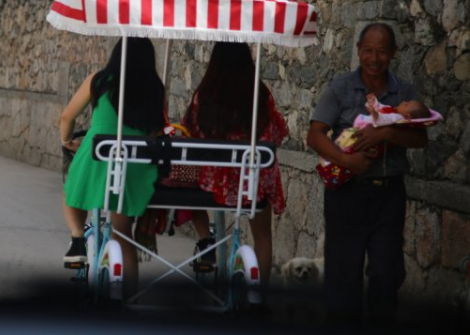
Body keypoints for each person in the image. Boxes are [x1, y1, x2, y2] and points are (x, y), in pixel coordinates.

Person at [307, 22, 428, 326]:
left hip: (388, 194)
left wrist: (386, 133)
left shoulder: (404, 92)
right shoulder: (340, 88)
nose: (375, 59)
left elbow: (420, 139)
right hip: (346, 193)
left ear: (393, 54)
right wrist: (347, 162)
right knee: (343, 272)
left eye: (382, 52)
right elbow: (315, 135)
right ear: (359, 50)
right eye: (369, 51)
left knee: (387, 271)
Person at [60, 37, 165, 297]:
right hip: (136, 164)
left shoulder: (99, 80)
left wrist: (66, 140)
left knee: (72, 192)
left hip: (98, 153)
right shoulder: (155, 87)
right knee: (122, 231)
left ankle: (76, 238)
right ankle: (128, 296)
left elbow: (67, 116)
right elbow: (157, 129)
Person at [180, 42, 289, 288]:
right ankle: (259, 296)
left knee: (186, 186)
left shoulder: (204, 95)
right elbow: (277, 133)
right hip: (250, 184)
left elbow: (191, 132)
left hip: (212, 182)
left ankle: (206, 240)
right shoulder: (260, 94)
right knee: (262, 236)